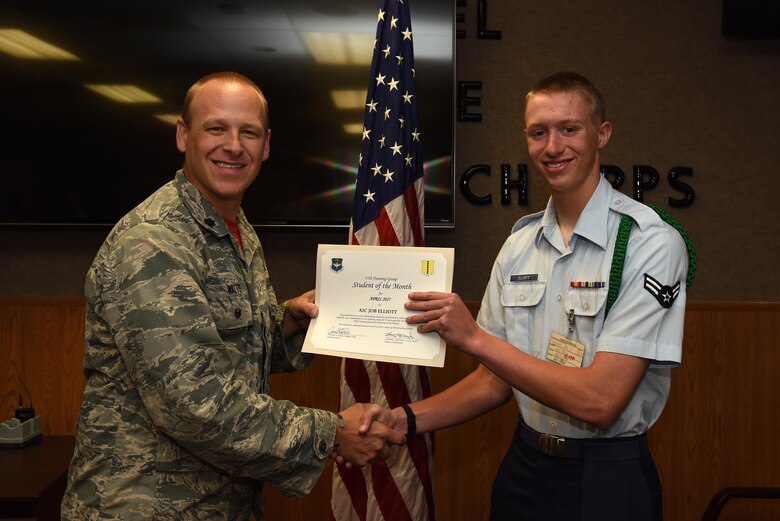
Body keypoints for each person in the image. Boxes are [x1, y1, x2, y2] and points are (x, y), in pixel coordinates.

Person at [61, 71, 404, 521]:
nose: (234, 146)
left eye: (249, 132)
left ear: (266, 145)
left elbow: (225, 344)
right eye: (216, 128)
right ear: (184, 135)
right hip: (144, 506)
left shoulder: (233, 225)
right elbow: (194, 403)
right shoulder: (153, 243)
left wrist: (288, 323)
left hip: (219, 503)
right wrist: (331, 433)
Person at [371, 72, 693, 520]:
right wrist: (404, 420)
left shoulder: (649, 243)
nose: (553, 147)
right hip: (524, 469)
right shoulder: (519, 244)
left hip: (607, 479)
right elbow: (493, 381)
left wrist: (475, 338)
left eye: (569, 129)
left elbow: (600, 402)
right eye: (538, 132)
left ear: (602, 134)